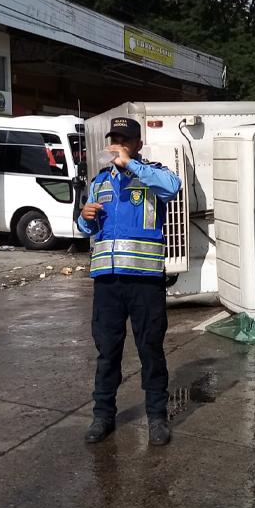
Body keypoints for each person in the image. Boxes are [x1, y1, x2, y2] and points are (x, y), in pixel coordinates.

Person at [77, 117, 182, 445]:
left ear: (137, 144)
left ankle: (156, 417)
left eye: (124, 139)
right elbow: (90, 231)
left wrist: (132, 166)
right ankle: (102, 416)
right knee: (107, 351)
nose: (117, 144)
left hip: (145, 281)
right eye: (114, 138)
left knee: (150, 348)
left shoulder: (153, 176)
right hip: (107, 283)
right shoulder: (99, 182)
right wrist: (84, 219)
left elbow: (174, 187)